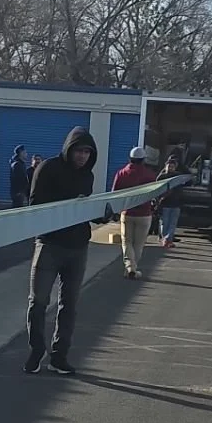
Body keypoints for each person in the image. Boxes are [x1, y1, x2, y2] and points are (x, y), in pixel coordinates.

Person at [23, 127, 100, 375]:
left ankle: (59, 356)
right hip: (49, 245)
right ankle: (37, 349)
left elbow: (86, 208)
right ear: (69, 149)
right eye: (79, 150)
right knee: (38, 302)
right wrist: (68, 202)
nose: (82, 156)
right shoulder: (47, 168)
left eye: (87, 152)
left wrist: (101, 213)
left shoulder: (88, 176)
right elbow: (35, 204)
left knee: (69, 304)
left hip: (78, 248)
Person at [111, 145, 159, 279]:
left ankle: (130, 267)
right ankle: (132, 268)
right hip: (144, 213)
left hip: (127, 213)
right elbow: (154, 193)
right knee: (138, 243)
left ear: (130, 158)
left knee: (127, 241)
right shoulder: (149, 174)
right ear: (143, 159)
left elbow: (115, 193)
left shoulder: (121, 173)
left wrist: (115, 210)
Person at [156, 148, 186, 247]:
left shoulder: (178, 176)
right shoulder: (162, 177)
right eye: (169, 166)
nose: (171, 168)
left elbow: (188, 181)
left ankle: (168, 240)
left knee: (172, 223)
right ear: (166, 166)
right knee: (165, 223)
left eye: (173, 166)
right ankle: (165, 239)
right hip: (165, 203)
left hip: (175, 203)